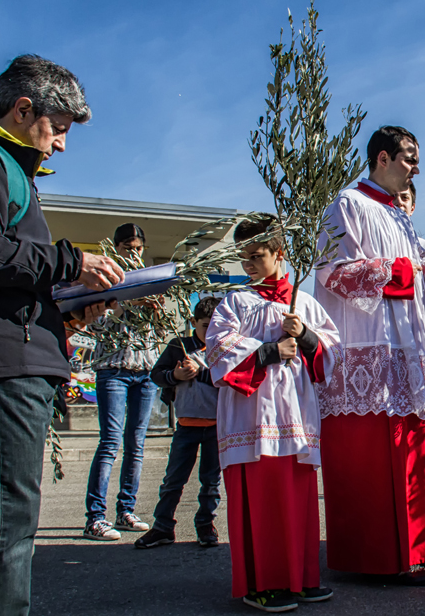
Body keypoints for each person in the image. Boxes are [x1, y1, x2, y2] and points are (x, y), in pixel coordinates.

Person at [0, 54, 123, 615]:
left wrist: (67, 309)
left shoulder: (1, 165)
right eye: (57, 129)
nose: (60, 145)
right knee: (3, 532)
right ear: (22, 108)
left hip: (8, 360)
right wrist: (68, 263)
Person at [313, 125, 425, 585]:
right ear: (382, 158)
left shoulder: (400, 216)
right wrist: (403, 269)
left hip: (410, 354)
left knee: (415, 452)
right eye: (410, 158)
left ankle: (421, 552)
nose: (417, 167)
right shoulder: (347, 205)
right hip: (368, 354)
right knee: (373, 460)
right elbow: (334, 272)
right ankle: (375, 558)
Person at [207, 218, 340, 612]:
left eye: (256, 256)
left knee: (297, 500)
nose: (248, 264)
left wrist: (306, 336)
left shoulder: (305, 303)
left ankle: (300, 579)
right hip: (251, 418)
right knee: (261, 503)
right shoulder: (236, 302)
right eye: (243, 257)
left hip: (296, 415)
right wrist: (268, 351)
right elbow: (217, 351)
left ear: (280, 253)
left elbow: (332, 356)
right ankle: (261, 583)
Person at [83, 223, 162, 541]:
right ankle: (95, 517)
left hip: (145, 370)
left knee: (136, 445)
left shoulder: (150, 281)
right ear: (116, 248)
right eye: (128, 246)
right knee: (110, 443)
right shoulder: (101, 279)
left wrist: (154, 312)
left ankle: (126, 510)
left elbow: (157, 329)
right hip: (113, 369)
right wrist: (126, 303)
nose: (135, 251)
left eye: (139, 247)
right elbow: (96, 324)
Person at [135, 296, 222, 549]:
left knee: (211, 482)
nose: (211, 331)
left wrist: (201, 373)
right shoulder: (178, 346)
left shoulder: (224, 349)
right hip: (186, 427)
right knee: (173, 479)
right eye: (206, 325)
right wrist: (175, 375)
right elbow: (156, 375)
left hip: (216, 427)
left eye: (217, 325)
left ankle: (206, 524)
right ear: (194, 322)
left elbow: (229, 380)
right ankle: (163, 526)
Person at [393, 180, 425, 257]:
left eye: (405, 197)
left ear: (412, 209)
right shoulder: (372, 242)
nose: (399, 202)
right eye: (392, 197)